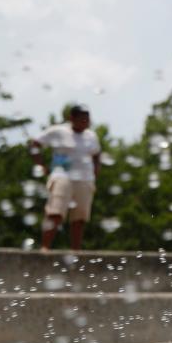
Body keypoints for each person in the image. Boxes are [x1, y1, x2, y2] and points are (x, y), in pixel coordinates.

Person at [30, 104, 101, 250]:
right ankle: (45, 248)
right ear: (72, 118)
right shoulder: (58, 131)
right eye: (82, 119)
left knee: (80, 217)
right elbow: (35, 144)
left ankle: (76, 251)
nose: (85, 123)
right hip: (62, 175)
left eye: (87, 120)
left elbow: (96, 154)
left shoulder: (91, 136)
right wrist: (40, 165)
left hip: (85, 179)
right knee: (55, 212)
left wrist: (96, 171)